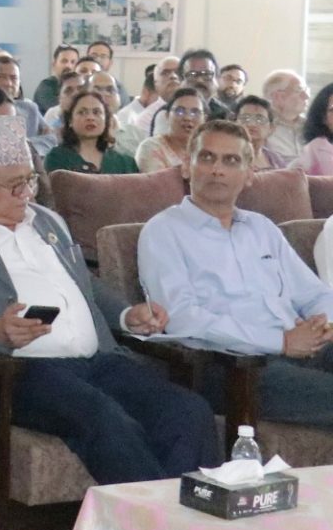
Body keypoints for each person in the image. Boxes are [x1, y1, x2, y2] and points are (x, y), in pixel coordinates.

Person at [0, 113, 218, 484]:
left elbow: (84, 283)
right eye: (15, 185)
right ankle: (150, 516)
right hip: (17, 370)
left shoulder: (47, 221)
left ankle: (178, 514)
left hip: (98, 361)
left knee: (188, 410)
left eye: (31, 180)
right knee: (105, 419)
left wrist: (127, 315)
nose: (28, 194)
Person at [142, 120, 333, 430]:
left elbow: (315, 294)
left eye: (231, 161)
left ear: (249, 175)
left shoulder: (262, 228)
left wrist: (324, 325)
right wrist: (281, 341)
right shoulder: (163, 231)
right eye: (207, 157)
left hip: (301, 348)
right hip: (233, 365)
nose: (217, 169)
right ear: (187, 166)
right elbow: (181, 318)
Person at [44, 90, 139, 175]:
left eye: (96, 112)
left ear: (106, 120)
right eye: (82, 112)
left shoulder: (125, 163)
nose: (90, 117)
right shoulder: (57, 158)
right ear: (70, 120)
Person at [135, 88, 204, 173]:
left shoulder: (208, 150)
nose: (187, 118)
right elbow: (156, 180)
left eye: (195, 112)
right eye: (180, 111)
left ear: (205, 119)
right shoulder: (151, 147)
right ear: (167, 116)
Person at [265, 70, 310, 165]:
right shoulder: (262, 127)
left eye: (306, 91)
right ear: (278, 97)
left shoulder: (312, 126)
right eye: (299, 90)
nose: (306, 96)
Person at [235, 96, 288, 171]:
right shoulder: (227, 155)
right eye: (245, 119)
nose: (252, 124)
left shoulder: (276, 160)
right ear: (234, 122)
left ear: (271, 128)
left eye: (260, 120)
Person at [32, 45, 80, 113]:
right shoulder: (46, 86)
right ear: (54, 64)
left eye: (73, 62)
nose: (68, 66)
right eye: (64, 61)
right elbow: (62, 112)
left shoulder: (81, 87)